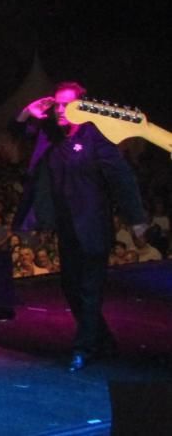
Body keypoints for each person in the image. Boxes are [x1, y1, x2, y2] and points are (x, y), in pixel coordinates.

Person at [11, 81, 148, 372]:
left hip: (93, 229)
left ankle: (83, 348)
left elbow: (122, 178)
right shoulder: (52, 136)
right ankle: (104, 340)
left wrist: (136, 219)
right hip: (67, 229)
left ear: (82, 106)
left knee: (89, 290)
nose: (60, 110)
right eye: (57, 105)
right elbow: (18, 133)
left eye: (67, 104)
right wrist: (27, 111)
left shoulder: (96, 137)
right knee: (70, 288)